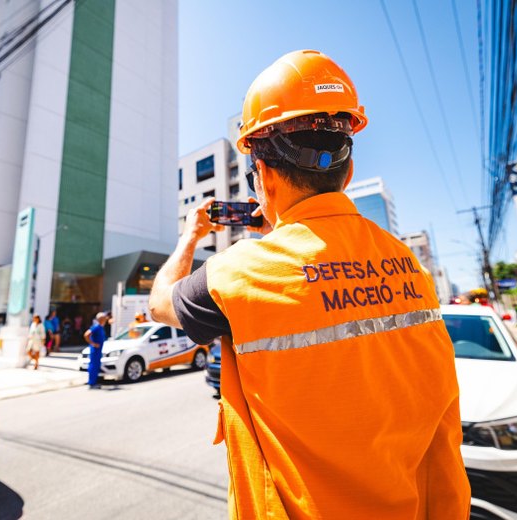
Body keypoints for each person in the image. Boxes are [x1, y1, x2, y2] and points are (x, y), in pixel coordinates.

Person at [149, 50, 470, 518]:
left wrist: (191, 235)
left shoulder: (240, 272)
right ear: (349, 172)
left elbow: (160, 304)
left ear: (262, 174)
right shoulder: (408, 264)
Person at [84, 311, 109, 389]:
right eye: (104, 318)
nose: (106, 319)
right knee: (94, 365)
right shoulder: (96, 327)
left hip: (98, 350)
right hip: (95, 350)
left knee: (96, 365)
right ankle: (92, 383)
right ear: (101, 319)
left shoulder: (100, 327)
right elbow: (86, 335)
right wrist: (93, 344)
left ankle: (92, 381)